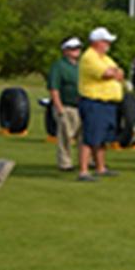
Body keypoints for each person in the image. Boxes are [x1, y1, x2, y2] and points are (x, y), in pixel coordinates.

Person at [76, 26, 124, 182]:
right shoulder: (89, 57)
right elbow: (106, 73)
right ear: (97, 42)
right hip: (94, 102)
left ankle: (100, 167)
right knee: (90, 137)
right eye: (106, 41)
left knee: (102, 138)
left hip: (108, 103)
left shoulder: (105, 58)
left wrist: (115, 72)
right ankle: (83, 171)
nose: (108, 44)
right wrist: (113, 73)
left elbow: (120, 73)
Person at [47, 36, 83, 172]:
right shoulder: (59, 66)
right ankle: (65, 163)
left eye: (78, 48)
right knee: (65, 136)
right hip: (66, 105)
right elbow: (54, 88)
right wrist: (59, 107)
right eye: (72, 48)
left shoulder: (80, 66)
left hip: (81, 106)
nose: (76, 51)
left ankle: (85, 161)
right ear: (65, 51)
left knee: (83, 136)